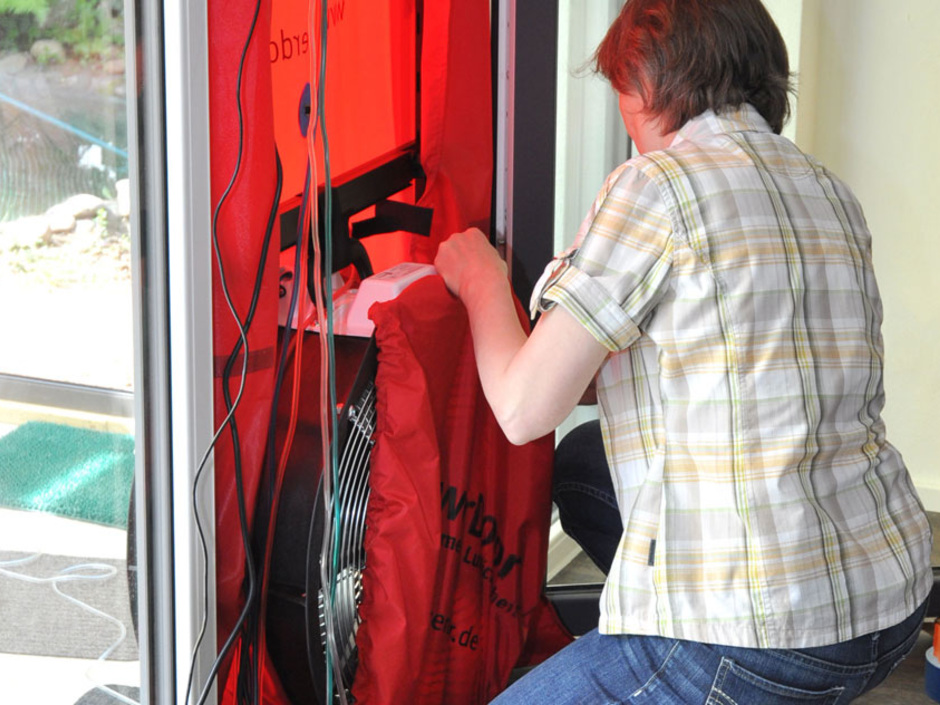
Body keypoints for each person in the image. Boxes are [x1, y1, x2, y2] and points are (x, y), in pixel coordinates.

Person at [433, 0, 934, 702]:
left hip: (766, 638)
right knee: (583, 464)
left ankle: (709, 672)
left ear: (644, 83)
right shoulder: (829, 189)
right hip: (890, 603)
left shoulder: (656, 184)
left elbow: (522, 407)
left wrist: (478, 277)